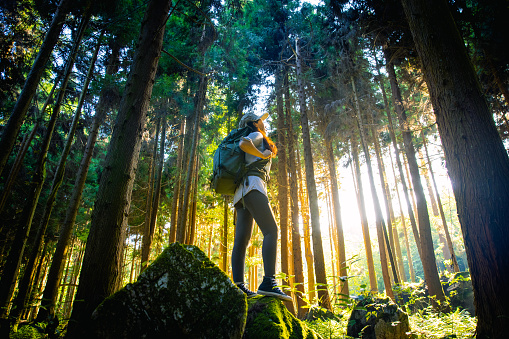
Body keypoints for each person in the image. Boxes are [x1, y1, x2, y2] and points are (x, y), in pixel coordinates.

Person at [231, 111, 292, 302]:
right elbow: (243, 144)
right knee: (271, 231)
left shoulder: (254, 135)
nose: (263, 124)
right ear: (254, 123)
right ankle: (268, 282)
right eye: (261, 121)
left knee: (242, 241)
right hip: (253, 186)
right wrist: (262, 154)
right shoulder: (256, 135)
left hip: (241, 192)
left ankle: (239, 287)